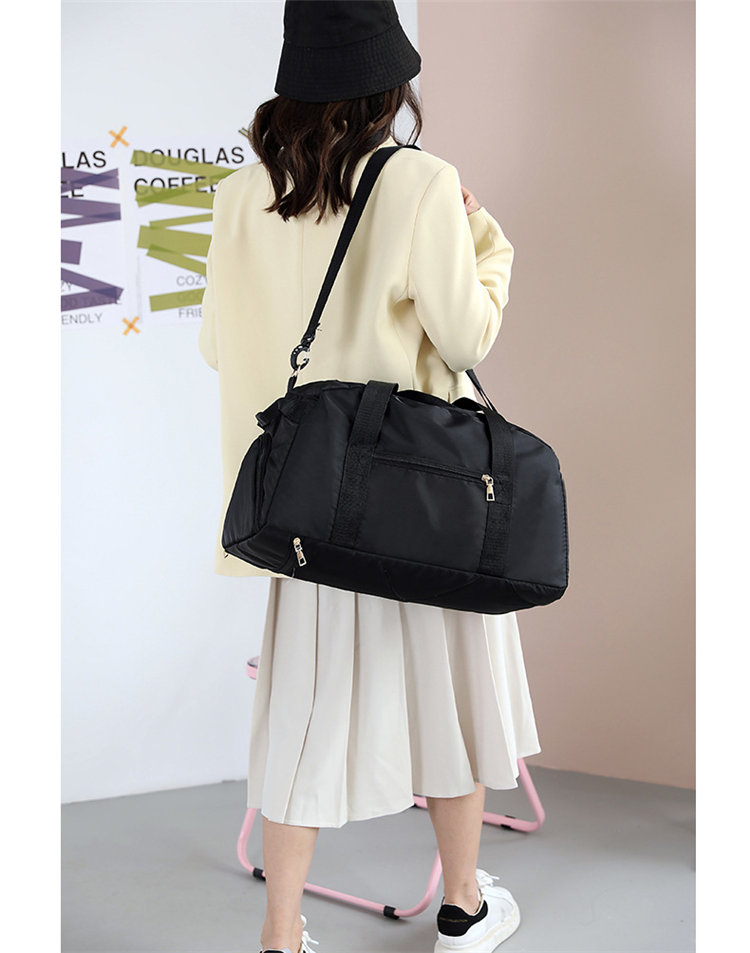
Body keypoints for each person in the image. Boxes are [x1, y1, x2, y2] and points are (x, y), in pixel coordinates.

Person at [198, 3, 541, 952]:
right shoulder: (421, 182)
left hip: (305, 512)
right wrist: (485, 239)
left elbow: (219, 346)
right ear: (390, 83)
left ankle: (280, 934)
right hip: (419, 501)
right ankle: (463, 907)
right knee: (453, 701)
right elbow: (465, 337)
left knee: (300, 723)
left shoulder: (240, 196)